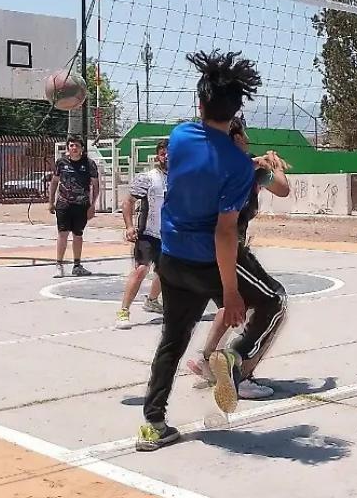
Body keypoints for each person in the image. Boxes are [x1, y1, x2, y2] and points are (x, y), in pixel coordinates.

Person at [136, 49, 280, 452]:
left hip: (171, 259)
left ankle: (153, 424)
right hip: (206, 260)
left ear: (199, 103)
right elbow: (224, 234)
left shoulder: (180, 137)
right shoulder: (236, 165)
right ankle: (235, 359)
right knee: (274, 302)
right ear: (236, 113)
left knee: (172, 340)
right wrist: (230, 293)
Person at [185, 118, 292, 400]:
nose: (247, 138)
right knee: (274, 301)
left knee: (232, 304)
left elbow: (282, 188)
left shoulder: (249, 167)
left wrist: (273, 164)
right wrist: (256, 162)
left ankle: (206, 360)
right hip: (221, 249)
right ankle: (238, 369)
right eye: (243, 134)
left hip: (213, 251)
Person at [115, 140, 166, 329]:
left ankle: (152, 301)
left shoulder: (181, 177)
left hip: (170, 235)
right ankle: (123, 311)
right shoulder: (148, 178)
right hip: (148, 233)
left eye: (170, 153)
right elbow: (128, 202)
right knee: (141, 270)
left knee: (166, 271)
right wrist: (129, 226)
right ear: (157, 156)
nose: (166, 156)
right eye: (162, 153)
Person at [48, 136, 99, 277]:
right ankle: (59, 264)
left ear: (82, 148)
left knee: (78, 234)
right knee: (62, 233)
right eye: (71, 145)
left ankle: (77, 265)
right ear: (68, 148)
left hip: (81, 205)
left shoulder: (89, 164)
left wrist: (92, 205)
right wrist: (51, 201)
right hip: (64, 204)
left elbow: (95, 186)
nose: (74, 148)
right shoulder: (61, 163)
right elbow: (54, 182)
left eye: (77, 145)